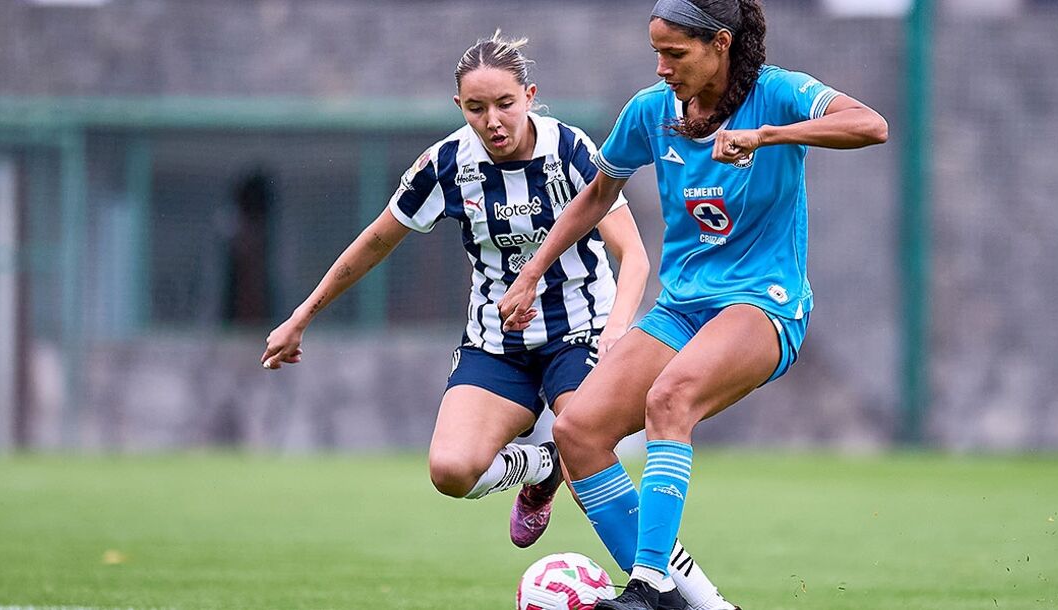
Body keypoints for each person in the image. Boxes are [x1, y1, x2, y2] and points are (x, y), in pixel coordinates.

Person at [261, 31, 739, 610]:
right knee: (452, 471)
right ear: (459, 109)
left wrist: (618, 328)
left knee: (591, 454)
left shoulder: (570, 151)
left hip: (580, 335)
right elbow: (374, 243)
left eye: (505, 103)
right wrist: (300, 318)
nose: (493, 120)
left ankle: (698, 601)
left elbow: (634, 255)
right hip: (497, 344)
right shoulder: (445, 165)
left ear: (530, 95)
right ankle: (543, 465)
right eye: (476, 107)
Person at [498, 1, 889, 608]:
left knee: (670, 398)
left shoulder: (779, 92)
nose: (661, 67)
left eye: (675, 53)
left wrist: (769, 135)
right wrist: (532, 271)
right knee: (578, 430)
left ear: (721, 45)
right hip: (681, 308)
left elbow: (871, 125)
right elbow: (597, 195)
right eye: (656, 51)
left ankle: (649, 586)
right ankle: (694, 603)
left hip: (763, 306)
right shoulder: (651, 112)